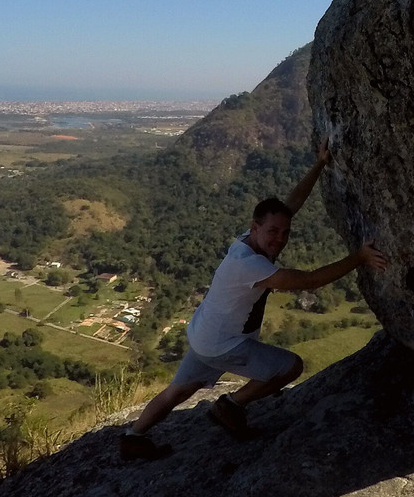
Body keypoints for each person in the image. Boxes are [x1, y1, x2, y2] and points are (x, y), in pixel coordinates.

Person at [120, 140, 387, 461]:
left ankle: (132, 436)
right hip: (223, 344)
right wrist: (360, 256)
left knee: (176, 392)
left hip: (204, 334)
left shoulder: (245, 242)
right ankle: (230, 406)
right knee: (290, 367)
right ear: (255, 227)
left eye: (285, 233)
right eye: (273, 232)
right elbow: (311, 280)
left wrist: (319, 164)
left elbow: (290, 206)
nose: (280, 238)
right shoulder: (252, 266)